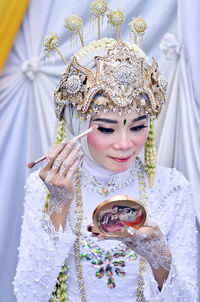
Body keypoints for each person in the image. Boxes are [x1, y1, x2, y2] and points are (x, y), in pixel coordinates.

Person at [14, 11, 197, 302]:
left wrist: (159, 257)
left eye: (138, 126)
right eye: (106, 129)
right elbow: (28, 295)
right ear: (76, 124)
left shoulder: (171, 188)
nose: (124, 144)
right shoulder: (45, 187)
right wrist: (59, 205)